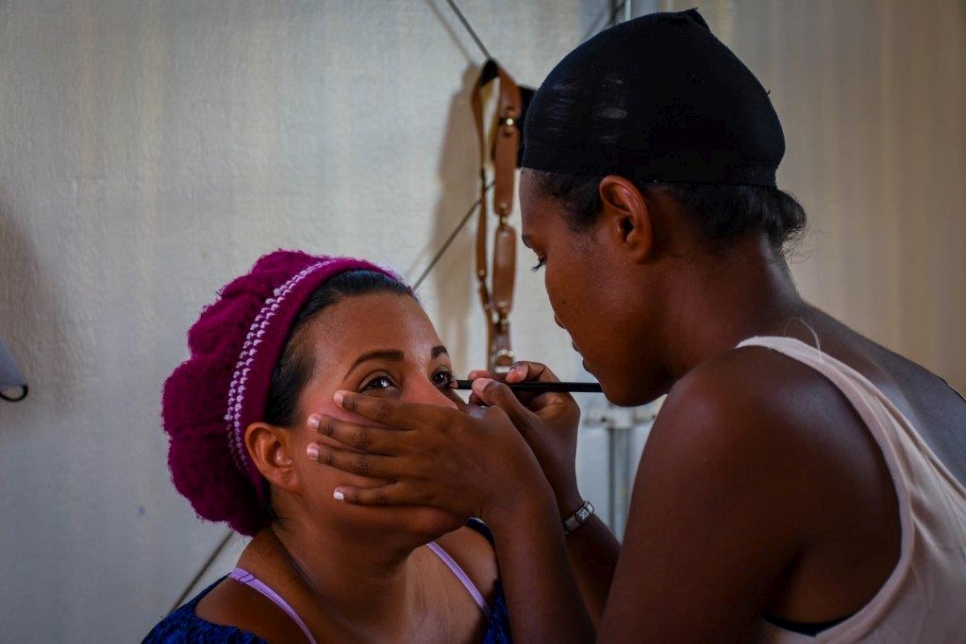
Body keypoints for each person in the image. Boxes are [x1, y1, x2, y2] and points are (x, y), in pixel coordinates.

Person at [305, 9, 966, 642]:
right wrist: (559, 497)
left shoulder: (735, 410)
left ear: (626, 217)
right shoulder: (919, 393)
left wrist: (513, 500)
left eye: (542, 258)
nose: (554, 301)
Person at [144, 250, 512, 643]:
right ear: (275, 453)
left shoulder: (492, 558)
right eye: (379, 383)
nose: (445, 409)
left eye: (440, 376)